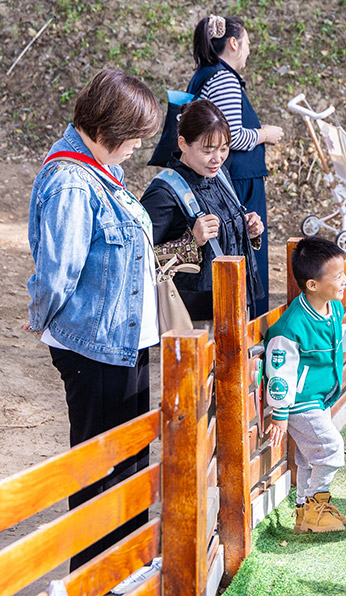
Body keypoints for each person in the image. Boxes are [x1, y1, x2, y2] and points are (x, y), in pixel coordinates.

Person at [25, 70, 161, 570]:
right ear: (108, 127)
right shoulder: (70, 180)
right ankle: (96, 569)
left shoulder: (100, 168)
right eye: (134, 137)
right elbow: (58, 269)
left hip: (123, 340)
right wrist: (42, 316)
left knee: (128, 458)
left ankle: (129, 562)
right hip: (94, 345)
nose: (138, 147)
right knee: (99, 465)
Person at [264, 237, 346, 533]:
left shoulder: (332, 308)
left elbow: (333, 340)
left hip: (319, 398)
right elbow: (280, 372)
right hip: (300, 402)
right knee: (331, 448)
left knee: (310, 457)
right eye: (338, 276)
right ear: (312, 285)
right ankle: (316, 507)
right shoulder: (290, 327)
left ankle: (304, 512)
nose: (345, 280)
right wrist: (280, 414)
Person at [189, 14, 285, 317]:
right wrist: (266, 134)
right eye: (246, 43)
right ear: (233, 43)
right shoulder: (224, 79)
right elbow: (232, 137)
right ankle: (250, 322)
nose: (248, 50)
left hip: (229, 177)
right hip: (239, 179)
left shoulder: (205, 74)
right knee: (247, 249)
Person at [141, 99, 265, 321]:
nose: (217, 159)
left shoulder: (220, 175)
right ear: (183, 144)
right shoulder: (163, 193)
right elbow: (138, 258)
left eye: (224, 149)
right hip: (194, 317)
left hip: (236, 301)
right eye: (208, 150)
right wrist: (191, 241)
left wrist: (248, 228)